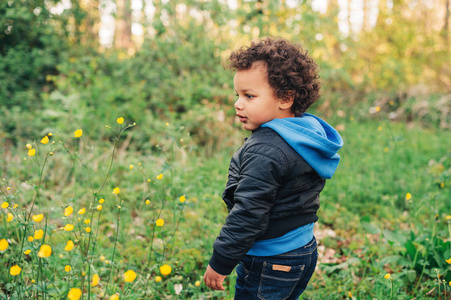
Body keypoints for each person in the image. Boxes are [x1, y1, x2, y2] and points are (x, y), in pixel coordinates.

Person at [203, 37, 343, 299]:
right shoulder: (304, 133)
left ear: (285, 97)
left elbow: (248, 213)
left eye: (249, 96)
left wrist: (220, 262)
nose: (238, 103)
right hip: (303, 250)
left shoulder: (266, 150)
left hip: (270, 261)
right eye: (238, 95)